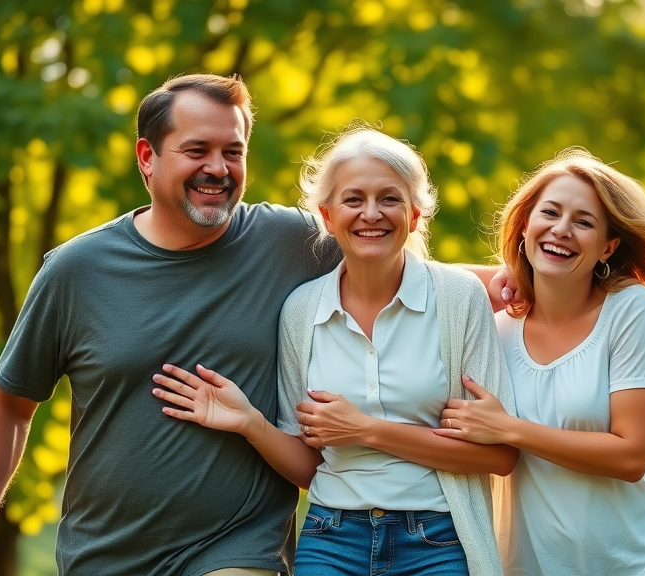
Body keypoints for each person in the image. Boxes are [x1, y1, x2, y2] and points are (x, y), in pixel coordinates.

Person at [0, 74, 511, 576]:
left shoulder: (288, 242)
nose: (218, 168)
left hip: (240, 543)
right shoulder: (77, 271)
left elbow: (387, 254)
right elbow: (9, 400)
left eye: (232, 151)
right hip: (108, 547)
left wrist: (514, 279)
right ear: (147, 156)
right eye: (197, 150)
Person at [152, 126, 518, 576]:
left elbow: (500, 456)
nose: (371, 214)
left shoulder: (460, 299)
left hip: (437, 541)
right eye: (353, 199)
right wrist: (249, 422)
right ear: (327, 216)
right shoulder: (302, 312)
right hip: (331, 539)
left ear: (415, 214)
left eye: (389, 199)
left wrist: (365, 430)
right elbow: (310, 467)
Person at [436, 148, 645, 575]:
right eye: (550, 213)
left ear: (608, 246)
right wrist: (500, 271)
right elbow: (418, 278)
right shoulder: (493, 328)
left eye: (584, 222)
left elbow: (630, 456)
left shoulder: (630, 309)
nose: (562, 230)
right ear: (524, 227)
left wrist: (508, 428)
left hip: (643, 563)